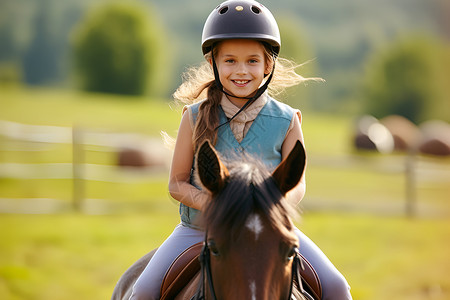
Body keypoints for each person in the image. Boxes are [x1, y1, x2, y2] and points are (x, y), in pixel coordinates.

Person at [130, 0, 352, 299]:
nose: (241, 70)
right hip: (199, 229)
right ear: (214, 64)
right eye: (230, 61)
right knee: (143, 291)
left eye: (252, 61)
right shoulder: (193, 117)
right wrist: (220, 208)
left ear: (267, 65)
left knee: (337, 288)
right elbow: (176, 183)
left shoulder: (288, 119)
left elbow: (297, 183)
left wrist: (273, 206)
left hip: (268, 231)